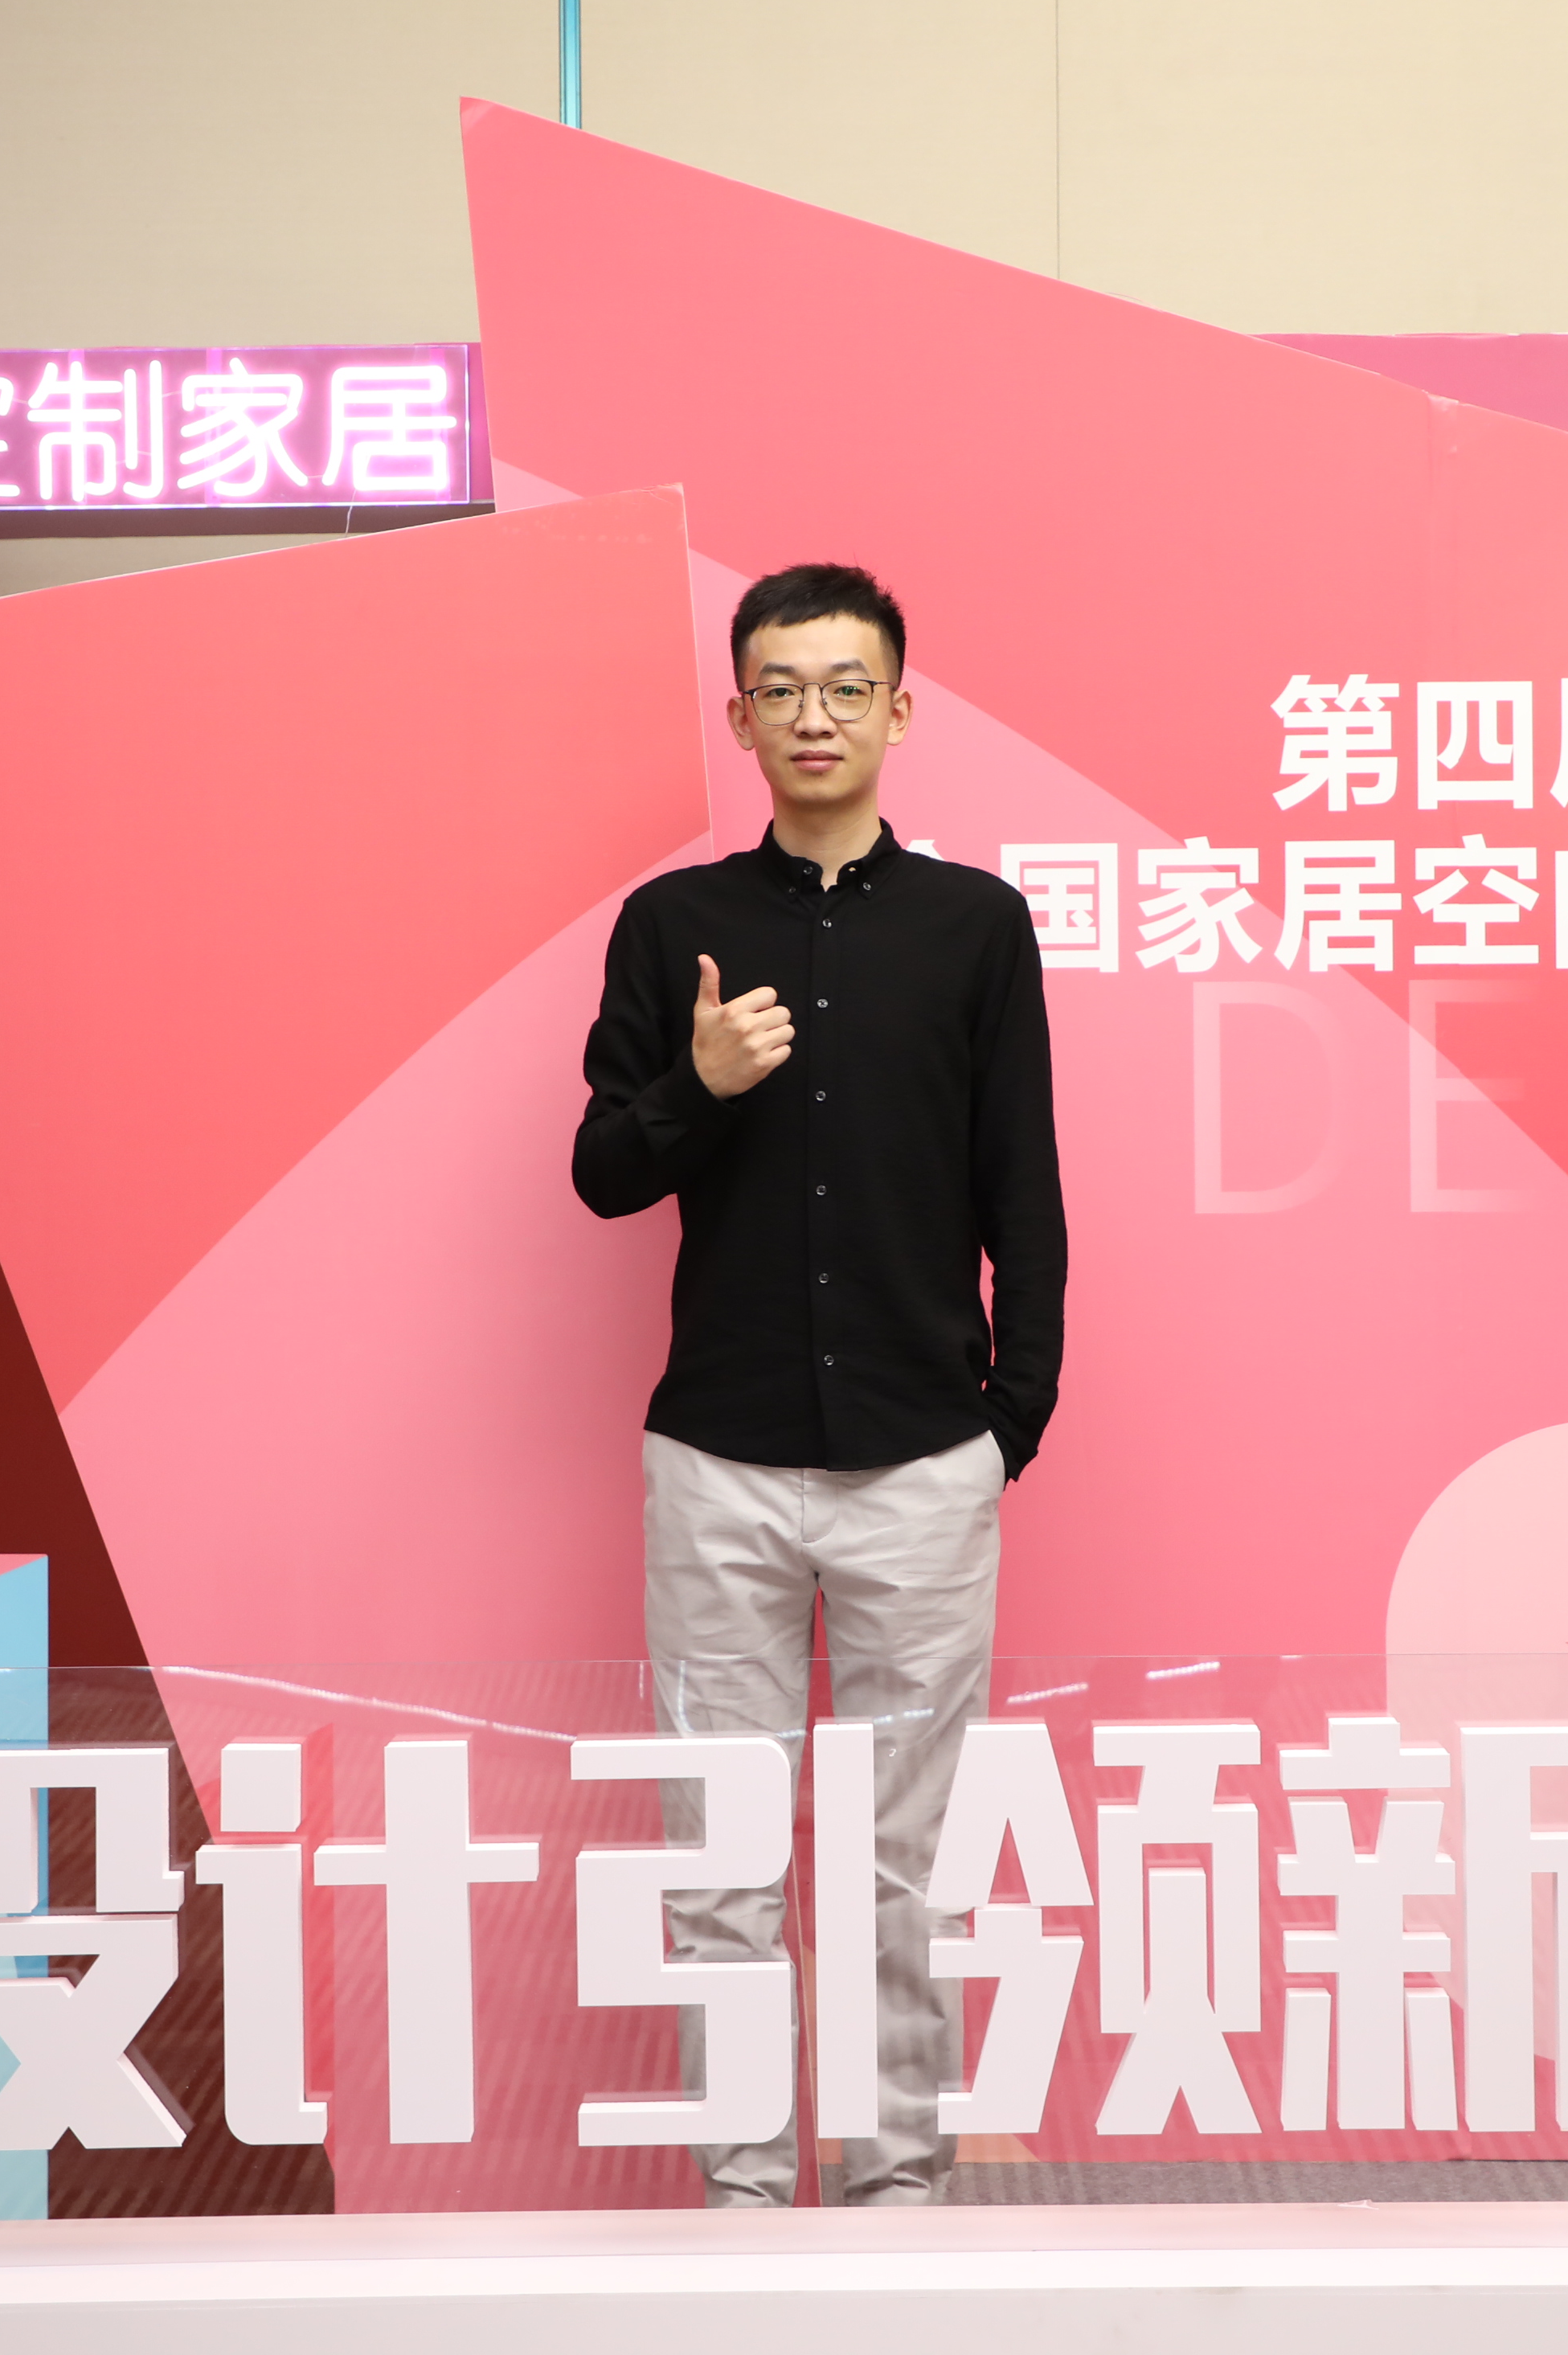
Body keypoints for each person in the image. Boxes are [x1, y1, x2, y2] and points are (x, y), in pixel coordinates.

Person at [572, 561, 1066, 2206]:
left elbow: (1022, 1191)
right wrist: (698, 1085)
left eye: (847, 686)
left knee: (903, 1862)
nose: (815, 716)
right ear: (741, 717)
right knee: (722, 1858)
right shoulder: (675, 929)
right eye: (781, 689)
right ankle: (743, 2195)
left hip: (925, 1459)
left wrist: (1006, 1426)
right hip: (719, 1459)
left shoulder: (976, 927)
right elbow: (601, 1173)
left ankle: (901, 2189)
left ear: (899, 710)